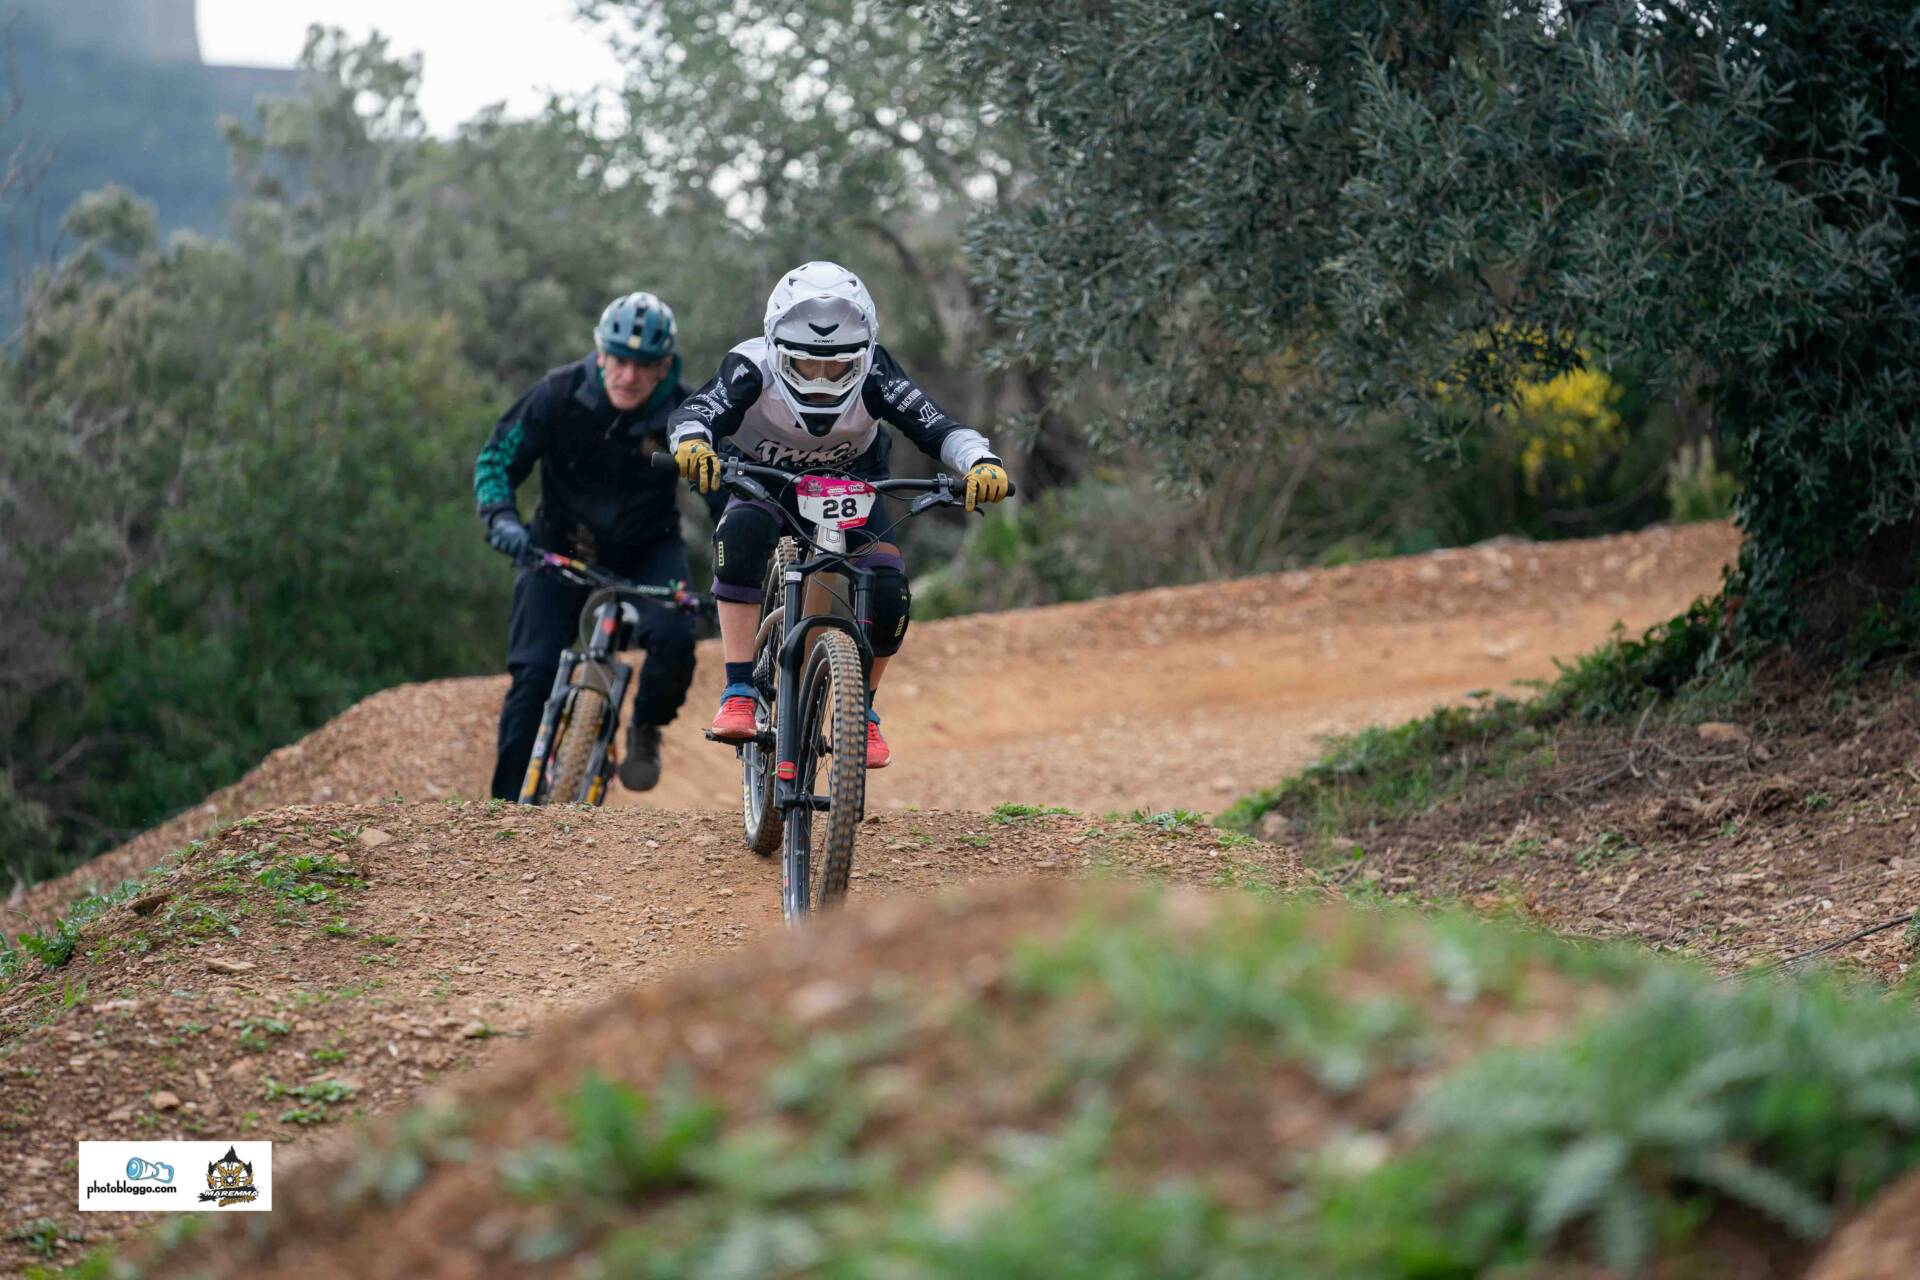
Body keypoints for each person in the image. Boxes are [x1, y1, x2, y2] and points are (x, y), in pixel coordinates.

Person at [665, 260, 1011, 769]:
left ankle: (862, 711)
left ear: (863, 355)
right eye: (806, 365)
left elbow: (938, 426)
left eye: (838, 366)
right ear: (778, 351)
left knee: (889, 587)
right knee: (739, 533)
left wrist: (980, 461)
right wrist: (693, 443)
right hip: (765, 483)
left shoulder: (878, 371)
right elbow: (696, 412)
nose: (822, 378)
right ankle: (738, 688)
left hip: (852, 486)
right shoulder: (749, 367)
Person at [474, 291, 717, 800]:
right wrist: (502, 520)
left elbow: (721, 492)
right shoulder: (557, 394)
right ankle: (502, 814)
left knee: (675, 638)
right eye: (619, 359)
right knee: (533, 674)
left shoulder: (684, 415)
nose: (628, 375)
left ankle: (646, 726)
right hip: (558, 544)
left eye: (643, 365)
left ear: (664, 366)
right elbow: (497, 459)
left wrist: (735, 563)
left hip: (648, 549)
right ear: (600, 353)